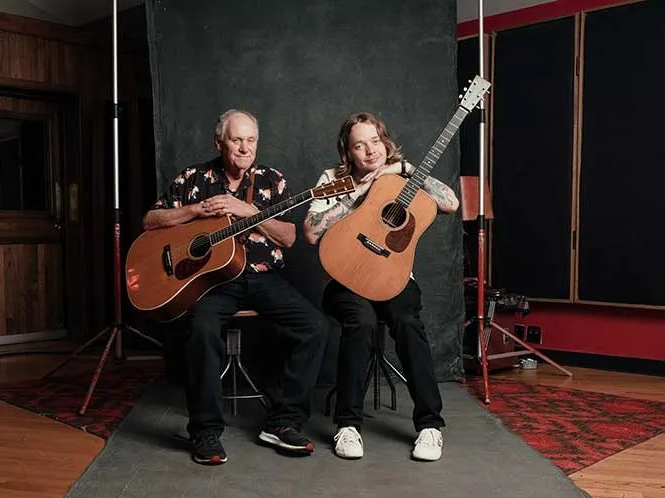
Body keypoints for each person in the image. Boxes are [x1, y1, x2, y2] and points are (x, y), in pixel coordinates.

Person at [144, 109, 328, 465]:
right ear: (219, 142)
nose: (244, 148)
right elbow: (151, 220)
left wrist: (248, 211)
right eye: (236, 139)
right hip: (212, 283)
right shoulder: (193, 178)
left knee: (314, 327)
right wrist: (195, 211)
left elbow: (290, 237)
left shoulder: (272, 180)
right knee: (201, 329)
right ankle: (206, 431)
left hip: (263, 277)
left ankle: (283, 422)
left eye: (250, 140)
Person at [303, 112, 459, 462]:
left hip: (393, 276)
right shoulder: (333, 179)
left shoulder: (403, 174)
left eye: (374, 141)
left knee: (407, 322)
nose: (370, 151)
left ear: (384, 141)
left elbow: (450, 202)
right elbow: (312, 231)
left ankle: (430, 426)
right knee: (362, 322)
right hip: (346, 278)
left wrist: (403, 171)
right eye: (359, 145)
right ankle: (347, 425)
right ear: (348, 152)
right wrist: (358, 194)